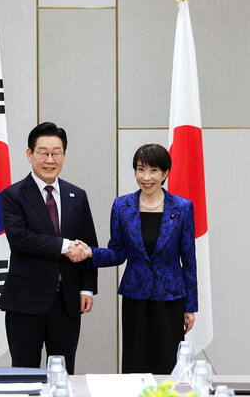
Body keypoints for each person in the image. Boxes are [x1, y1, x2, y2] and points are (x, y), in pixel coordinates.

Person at [71, 143, 197, 374]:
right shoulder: (122, 206)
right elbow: (118, 252)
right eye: (140, 170)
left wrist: (190, 306)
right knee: (135, 362)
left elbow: (189, 262)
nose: (146, 177)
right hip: (135, 297)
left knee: (168, 363)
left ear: (165, 173)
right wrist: (90, 252)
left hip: (171, 299)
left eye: (153, 170)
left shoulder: (182, 208)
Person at [0, 121, 98, 374]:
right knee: (24, 375)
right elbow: (19, 238)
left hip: (66, 302)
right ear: (29, 154)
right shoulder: (13, 195)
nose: (50, 160)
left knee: (63, 374)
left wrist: (87, 288)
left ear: (64, 155)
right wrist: (64, 245)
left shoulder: (77, 195)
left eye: (56, 153)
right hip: (25, 302)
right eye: (43, 153)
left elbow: (88, 245)